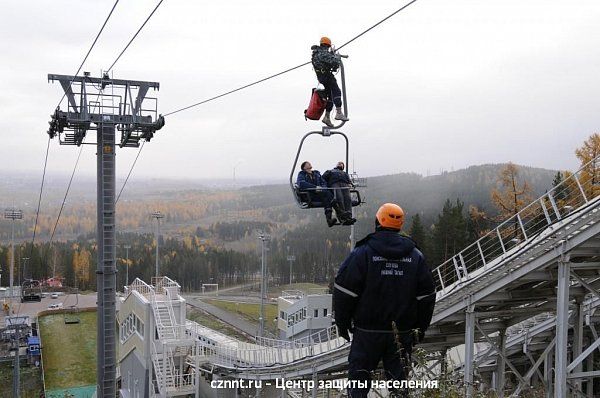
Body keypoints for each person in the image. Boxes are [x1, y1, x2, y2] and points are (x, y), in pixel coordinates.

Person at [333, 203, 436, 398]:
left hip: (366, 333)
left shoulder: (362, 253)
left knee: (358, 383)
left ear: (378, 222)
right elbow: (427, 296)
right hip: (402, 332)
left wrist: (342, 324)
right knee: (398, 387)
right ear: (400, 225)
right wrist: (420, 328)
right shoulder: (415, 256)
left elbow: (344, 291)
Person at [311, 36, 349, 127]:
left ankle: (327, 117)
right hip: (327, 76)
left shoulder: (316, 54)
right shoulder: (323, 53)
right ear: (327, 45)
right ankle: (339, 112)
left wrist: (332, 55)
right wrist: (336, 57)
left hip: (322, 77)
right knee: (336, 91)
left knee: (331, 96)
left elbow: (332, 66)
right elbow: (334, 63)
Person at [296, 161, 338, 227]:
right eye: (308, 163)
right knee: (328, 196)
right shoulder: (302, 174)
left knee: (326, 198)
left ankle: (329, 220)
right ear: (304, 167)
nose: (310, 163)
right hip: (310, 195)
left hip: (320, 194)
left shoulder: (316, 174)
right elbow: (301, 183)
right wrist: (315, 188)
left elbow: (323, 182)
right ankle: (337, 206)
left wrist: (323, 188)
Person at [323, 161, 356, 225]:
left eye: (342, 164)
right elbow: (323, 178)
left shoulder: (344, 173)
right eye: (339, 163)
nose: (340, 164)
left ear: (343, 167)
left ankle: (349, 217)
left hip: (345, 184)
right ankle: (342, 218)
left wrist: (351, 184)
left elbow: (349, 181)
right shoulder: (330, 171)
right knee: (339, 198)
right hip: (335, 184)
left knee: (348, 199)